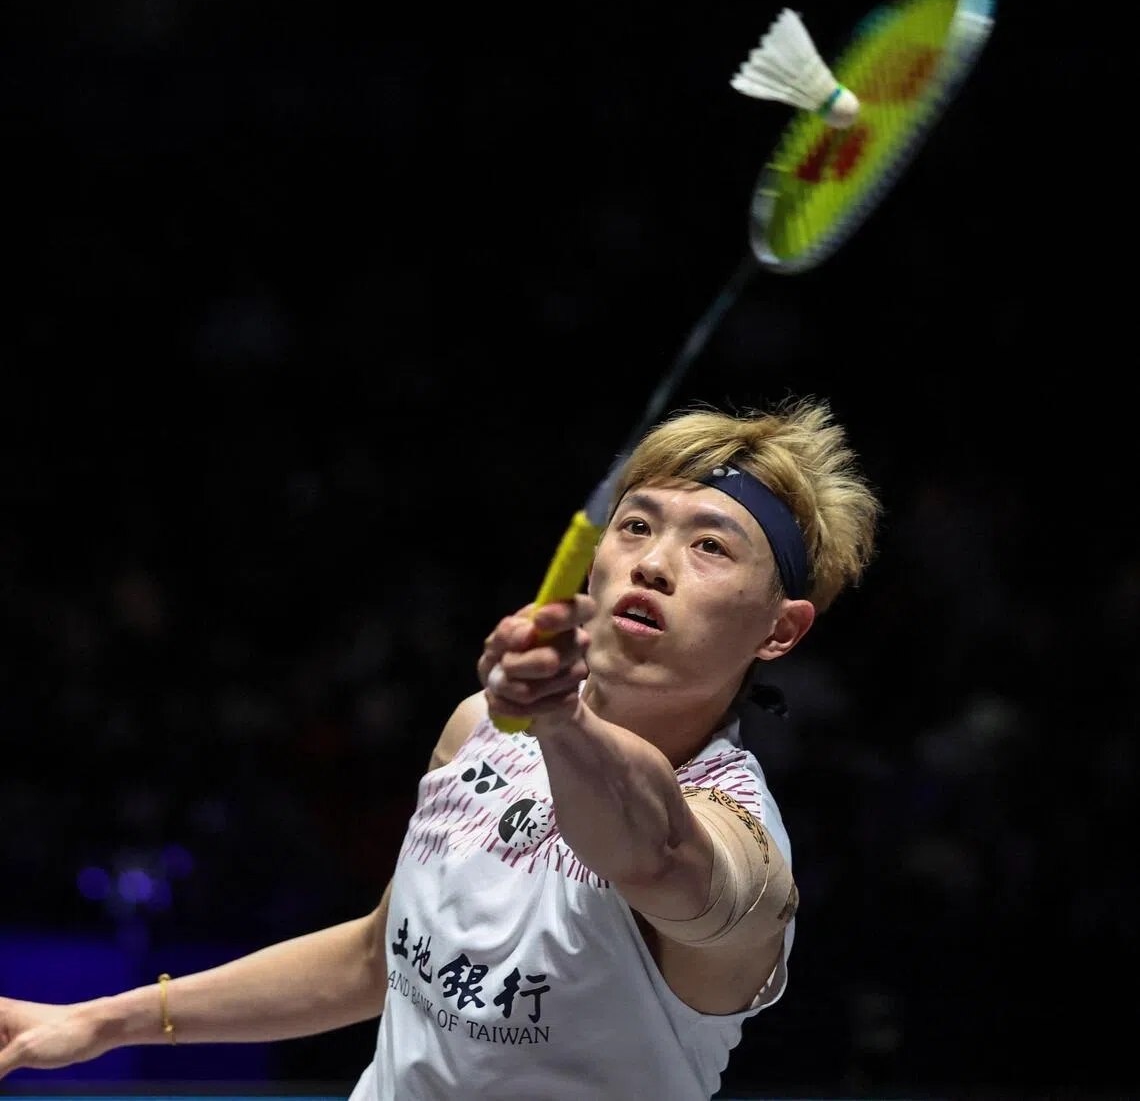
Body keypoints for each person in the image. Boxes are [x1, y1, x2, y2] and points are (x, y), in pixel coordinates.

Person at [0, 396, 879, 1099]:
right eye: (637, 525)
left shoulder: (746, 851)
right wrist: (100, 1022)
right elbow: (377, 956)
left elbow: (653, 851)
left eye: (712, 546)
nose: (655, 563)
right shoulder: (479, 728)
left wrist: (564, 722)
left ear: (780, 629)